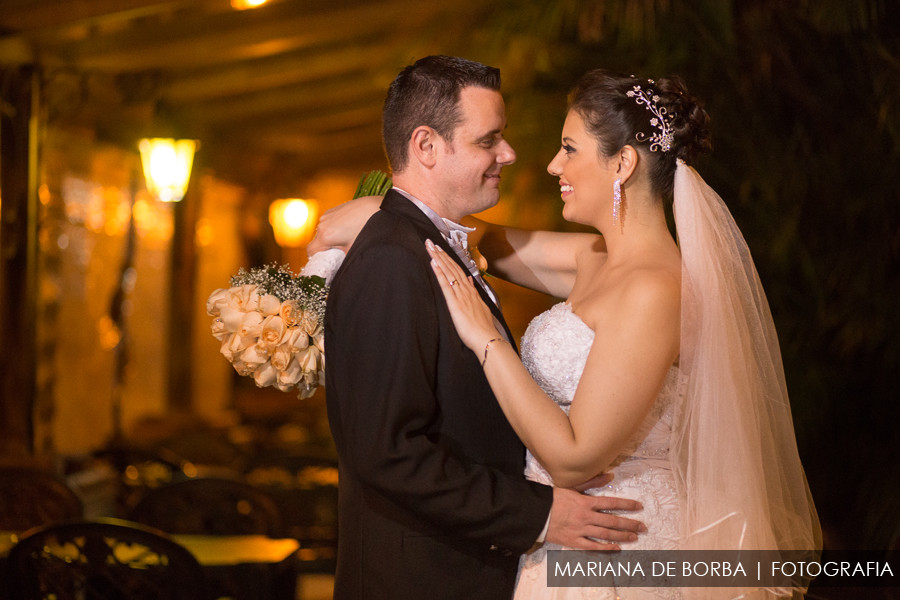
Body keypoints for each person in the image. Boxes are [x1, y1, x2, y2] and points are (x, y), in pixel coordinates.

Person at [316, 68, 821, 599]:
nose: (551, 164)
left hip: (618, 539)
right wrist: (383, 211)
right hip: (555, 539)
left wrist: (487, 339)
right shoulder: (592, 259)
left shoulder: (656, 287)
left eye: (569, 149)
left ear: (622, 164)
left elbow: (574, 457)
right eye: (491, 140)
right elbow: (473, 235)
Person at [323, 56, 647, 600]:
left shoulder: (432, 246)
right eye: (488, 141)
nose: (511, 154)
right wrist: (539, 513)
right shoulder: (390, 262)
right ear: (426, 146)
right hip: (419, 580)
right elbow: (387, 452)